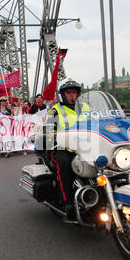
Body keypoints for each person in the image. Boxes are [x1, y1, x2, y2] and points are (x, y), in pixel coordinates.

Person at [46, 79, 89, 220]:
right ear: (63, 95)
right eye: (69, 92)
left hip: (84, 147)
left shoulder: (86, 108)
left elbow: (98, 124)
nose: (72, 95)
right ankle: (68, 202)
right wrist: (53, 137)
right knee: (64, 165)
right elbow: (48, 132)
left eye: (74, 92)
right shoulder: (56, 110)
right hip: (62, 148)